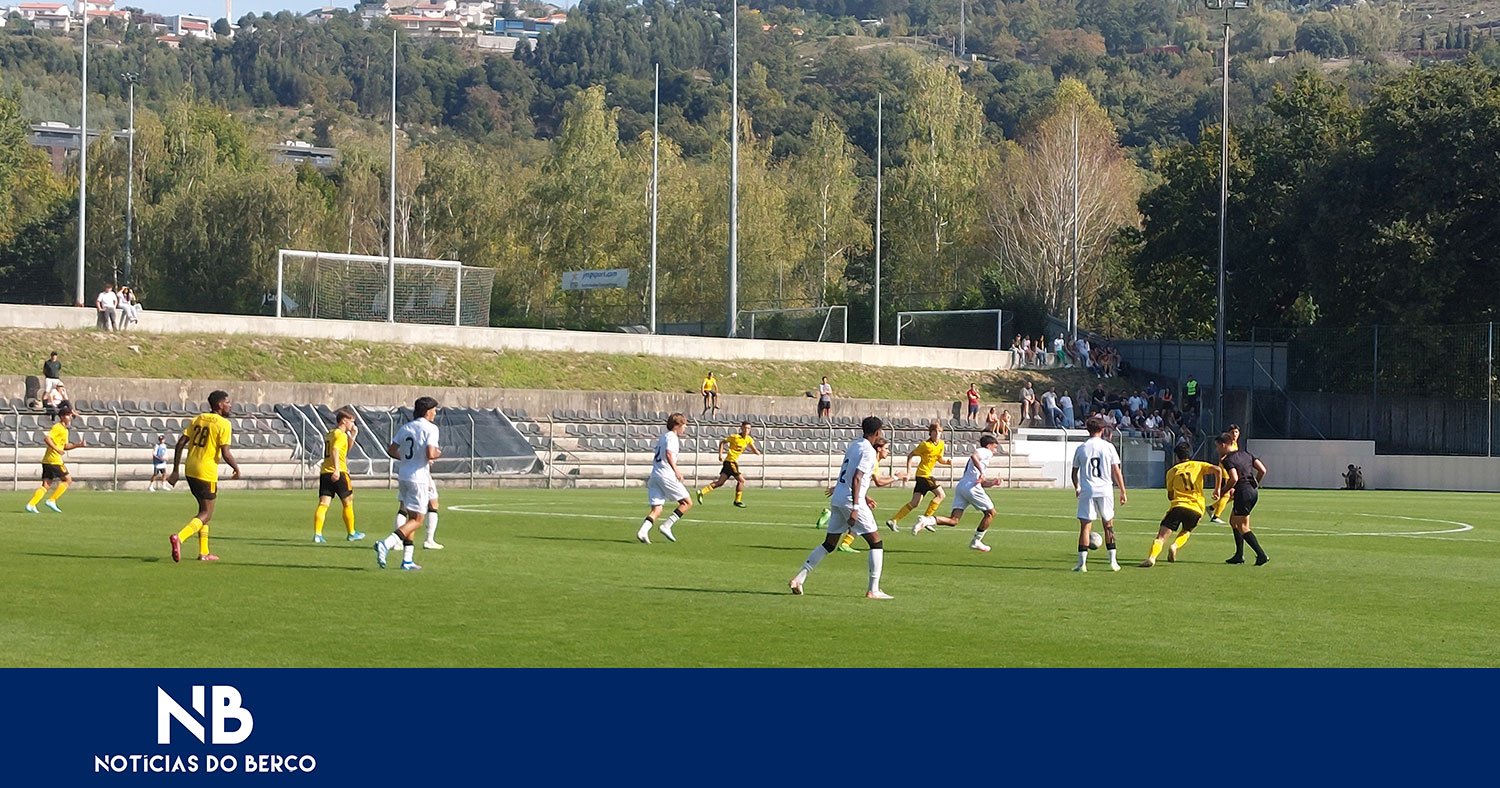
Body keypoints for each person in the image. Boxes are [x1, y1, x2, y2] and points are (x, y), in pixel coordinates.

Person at [789, 416, 892, 599]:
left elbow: (849, 473)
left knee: (829, 544)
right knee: (876, 542)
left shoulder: (855, 445)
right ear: (878, 432)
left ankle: (799, 578)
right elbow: (857, 477)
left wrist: (863, 496)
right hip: (851, 500)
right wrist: (856, 506)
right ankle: (873, 589)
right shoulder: (868, 451)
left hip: (839, 498)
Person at [167, 390, 241, 563]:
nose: (230, 405)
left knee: (202, 511)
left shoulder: (198, 418)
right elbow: (225, 452)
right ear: (220, 404)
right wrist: (236, 468)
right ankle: (180, 537)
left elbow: (180, 443)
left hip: (190, 468)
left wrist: (175, 470)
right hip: (206, 472)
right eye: (228, 402)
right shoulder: (223, 424)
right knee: (207, 513)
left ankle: (204, 552)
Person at [375, 397, 441, 570]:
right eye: (434, 410)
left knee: (410, 517)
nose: (435, 413)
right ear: (428, 411)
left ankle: (407, 560)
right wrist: (438, 453)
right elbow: (430, 453)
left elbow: (391, 449)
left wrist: (404, 458)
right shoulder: (431, 428)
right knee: (418, 519)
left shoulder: (406, 427)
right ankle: (386, 543)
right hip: (418, 477)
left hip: (403, 474)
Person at [915, 434, 1003, 553]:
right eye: (994, 447)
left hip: (963, 486)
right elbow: (974, 456)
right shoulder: (985, 451)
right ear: (989, 446)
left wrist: (993, 483)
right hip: (971, 488)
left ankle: (927, 521)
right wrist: (982, 472)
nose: (995, 450)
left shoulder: (981, 460)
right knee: (991, 513)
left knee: (954, 520)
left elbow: (980, 482)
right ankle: (976, 541)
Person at [1139, 444, 1220, 567]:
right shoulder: (1198, 465)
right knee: (1187, 530)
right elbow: (1218, 470)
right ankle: (1175, 546)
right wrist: (1217, 490)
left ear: (1176, 456)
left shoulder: (1172, 471)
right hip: (1196, 509)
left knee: (1161, 537)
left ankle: (1152, 557)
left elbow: (1170, 496)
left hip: (1178, 506)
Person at [1072, 417, 1126, 572]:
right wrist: (1122, 491)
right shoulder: (1108, 447)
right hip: (1105, 490)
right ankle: (1113, 562)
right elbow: (1116, 470)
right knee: (1108, 524)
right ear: (1102, 430)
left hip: (1087, 490)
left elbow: (1074, 472)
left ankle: (1082, 564)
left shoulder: (1082, 448)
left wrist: (1077, 487)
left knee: (1085, 527)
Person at [834, 438, 907, 553]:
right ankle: (843, 540)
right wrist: (896, 477)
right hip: (849, 498)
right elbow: (878, 482)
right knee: (870, 532)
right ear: (878, 449)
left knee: (858, 521)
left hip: (847, 496)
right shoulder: (871, 459)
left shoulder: (873, 460)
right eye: (886, 448)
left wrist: (866, 497)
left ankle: (845, 543)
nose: (888, 451)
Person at [885, 421, 951, 532]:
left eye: (939, 431)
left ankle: (894, 520)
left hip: (924, 476)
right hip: (924, 475)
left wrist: (947, 462)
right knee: (941, 495)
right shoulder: (925, 445)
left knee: (915, 503)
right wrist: (909, 472)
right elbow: (910, 455)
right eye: (935, 432)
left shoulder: (941, 444)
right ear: (930, 433)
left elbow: (940, 459)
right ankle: (926, 519)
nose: (937, 434)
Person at [637, 413, 693, 544]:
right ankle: (666, 526)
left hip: (655, 475)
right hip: (666, 475)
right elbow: (668, 453)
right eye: (683, 425)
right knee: (687, 502)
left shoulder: (663, 437)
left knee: (657, 509)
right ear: (676, 425)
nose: (684, 428)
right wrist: (676, 470)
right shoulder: (672, 437)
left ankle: (643, 531)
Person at [313, 408, 366, 544]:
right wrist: (337, 469)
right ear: (344, 420)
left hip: (325, 472)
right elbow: (337, 450)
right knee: (348, 502)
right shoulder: (341, 435)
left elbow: (344, 450)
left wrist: (353, 436)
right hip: (339, 472)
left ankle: (317, 534)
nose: (353, 425)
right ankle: (351, 533)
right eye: (351, 421)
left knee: (323, 503)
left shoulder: (330, 434)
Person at [1218, 433, 1270, 566]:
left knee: (1242, 526)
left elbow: (1234, 478)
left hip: (1243, 491)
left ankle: (1261, 555)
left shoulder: (1227, 460)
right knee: (1233, 521)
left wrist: (1222, 490)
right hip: (1252, 491)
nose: (1217, 450)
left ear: (1223, 445)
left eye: (1217, 446)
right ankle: (1239, 555)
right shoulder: (1246, 454)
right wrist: (1255, 483)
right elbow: (1262, 470)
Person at [24, 401, 83, 513]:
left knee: (46, 484)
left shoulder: (65, 430)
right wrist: (56, 449)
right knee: (68, 480)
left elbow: (65, 446)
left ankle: (31, 504)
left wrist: (77, 445)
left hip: (47, 460)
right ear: (62, 417)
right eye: (68, 414)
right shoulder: (58, 427)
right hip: (54, 460)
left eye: (70, 414)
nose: (70, 416)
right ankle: (52, 500)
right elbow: (47, 438)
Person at [697, 421, 760, 508]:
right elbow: (722, 442)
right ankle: (737, 500)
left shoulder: (749, 439)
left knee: (720, 483)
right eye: (745, 428)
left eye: (748, 428)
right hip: (730, 462)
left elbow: (753, 448)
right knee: (741, 481)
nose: (746, 430)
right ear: (741, 428)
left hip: (729, 463)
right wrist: (720, 455)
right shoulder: (735, 437)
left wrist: (758, 452)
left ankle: (702, 491)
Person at [1209, 424, 1241, 524]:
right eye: (1232, 432)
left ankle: (1211, 507)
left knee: (1233, 496)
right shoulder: (1226, 443)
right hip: (1225, 472)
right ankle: (1216, 516)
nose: (1235, 434)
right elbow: (1222, 457)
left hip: (1232, 471)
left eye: (1236, 432)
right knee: (1227, 495)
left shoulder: (1235, 443)